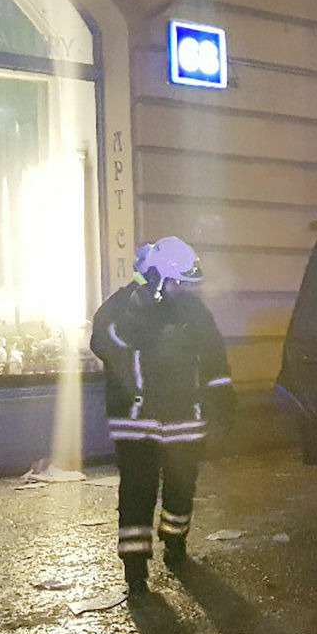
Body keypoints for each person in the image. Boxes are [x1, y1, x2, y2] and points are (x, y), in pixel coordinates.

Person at [91, 237, 235, 595]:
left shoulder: (193, 313)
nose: (185, 290)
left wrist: (223, 403)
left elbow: (215, 359)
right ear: (159, 278)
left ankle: (175, 542)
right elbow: (102, 340)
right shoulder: (124, 306)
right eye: (179, 283)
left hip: (184, 418)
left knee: (181, 487)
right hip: (136, 419)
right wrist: (140, 314)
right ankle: (135, 569)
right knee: (137, 492)